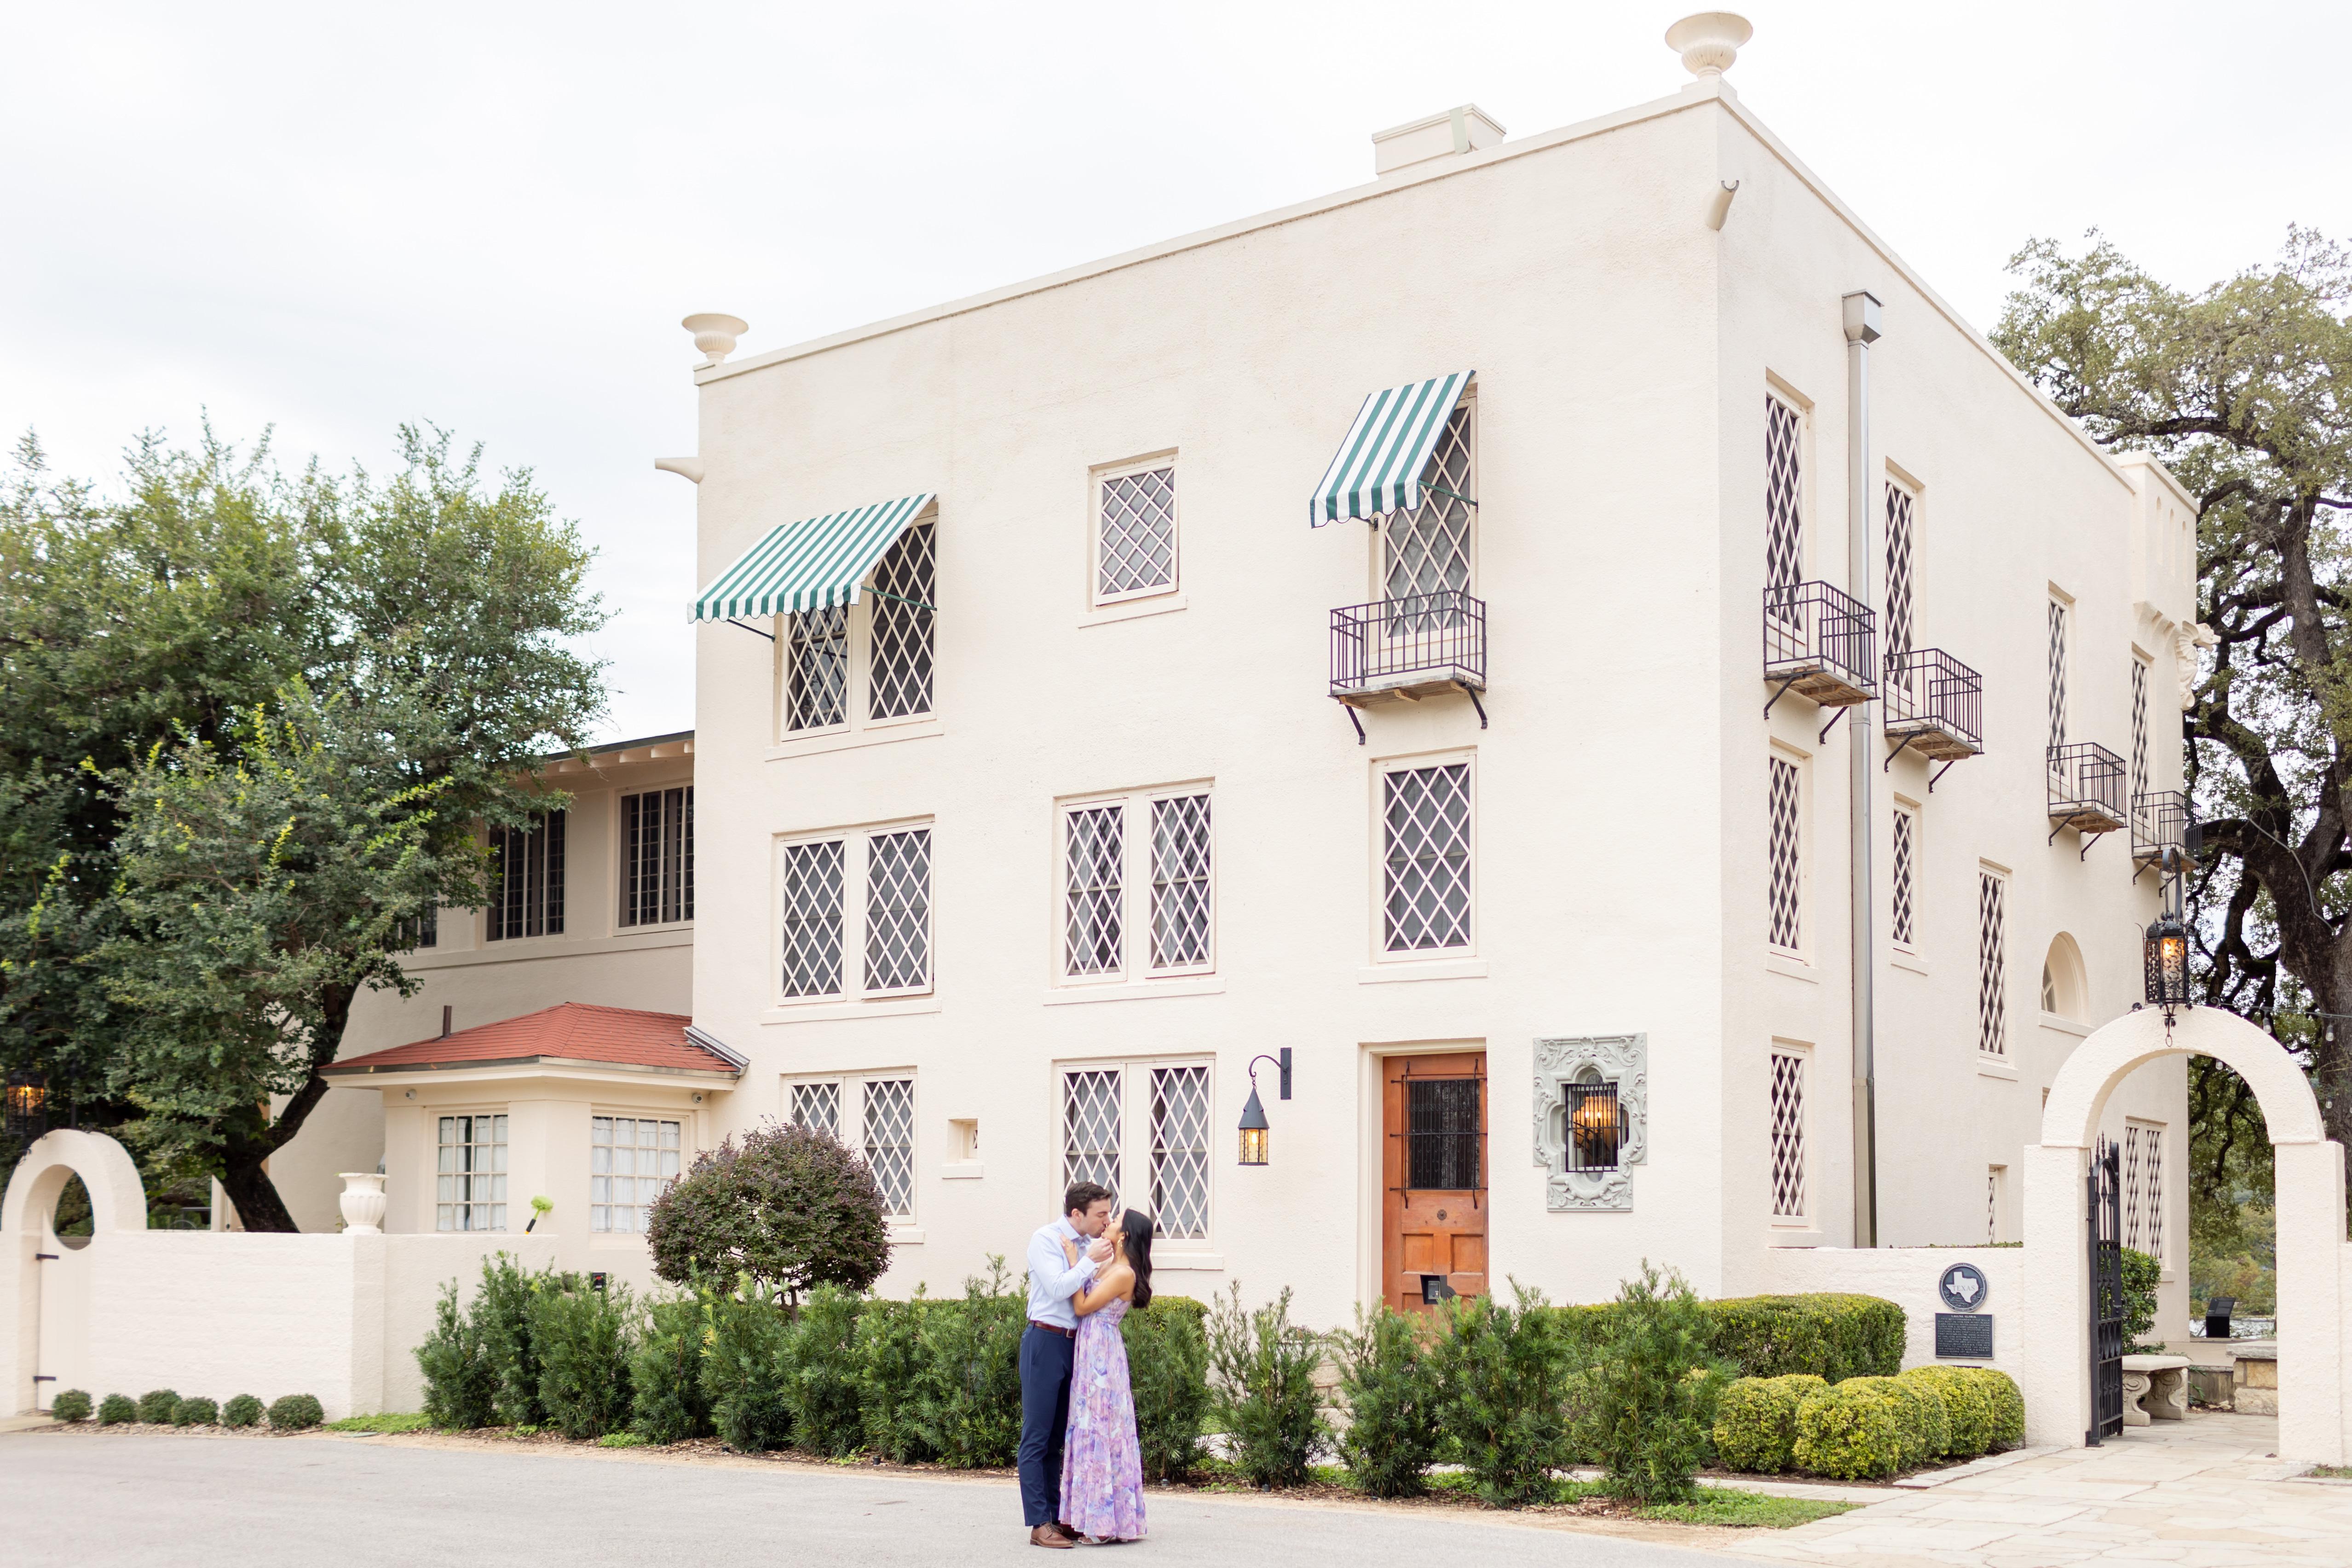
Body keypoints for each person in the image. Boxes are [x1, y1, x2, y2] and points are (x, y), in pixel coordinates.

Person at [1020, 1182, 1114, 1550]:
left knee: (1059, 1437)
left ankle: (1057, 1518)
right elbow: (1059, 1288)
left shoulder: (1089, 1247)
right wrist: (1089, 1261)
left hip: (1074, 1345)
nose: (1106, 1221)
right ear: (1077, 1214)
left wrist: (1093, 1259)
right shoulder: (1045, 1239)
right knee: (1037, 1436)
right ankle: (1038, 1524)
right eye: (1101, 1214)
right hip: (1044, 1340)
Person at [1057, 1207, 1153, 1544]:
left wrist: (1075, 1261)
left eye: (1116, 1221)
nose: (1109, 1223)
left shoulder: (1124, 1273)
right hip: (1091, 1347)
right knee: (1088, 1424)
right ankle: (1086, 1517)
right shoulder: (1109, 1264)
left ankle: (1103, 1524)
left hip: (1102, 1353)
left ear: (1124, 1236)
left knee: (1101, 1426)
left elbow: (1083, 1306)